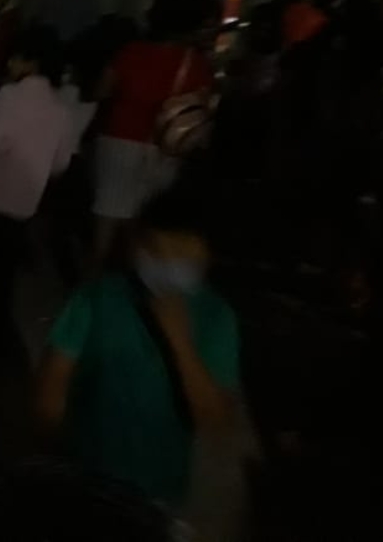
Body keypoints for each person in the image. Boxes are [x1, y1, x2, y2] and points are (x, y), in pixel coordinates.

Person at [35, 187, 240, 506]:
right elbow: (50, 395)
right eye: (157, 250)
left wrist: (180, 342)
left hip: (159, 491)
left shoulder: (217, 317)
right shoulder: (97, 298)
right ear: (138, 248)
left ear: (205, 256)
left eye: (181, 253)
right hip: (84, 481)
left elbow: (214, 420)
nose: (168, 263)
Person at [0, 28, 74, 360]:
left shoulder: (8, 95)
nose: (10, 64)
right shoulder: (61, 107)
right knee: (4, 271)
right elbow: (61, 163)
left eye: (15, 58)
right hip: (25, 199)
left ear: (30, 62)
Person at [90, 0, 213, 266]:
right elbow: (200, 109)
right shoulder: (196, 63)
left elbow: (102, 91)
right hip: (165, 148)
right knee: (144, 219)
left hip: (119, 139)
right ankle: (137, 272)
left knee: (108, 214)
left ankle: (96, 275)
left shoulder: (131, 53)